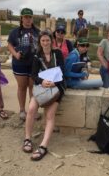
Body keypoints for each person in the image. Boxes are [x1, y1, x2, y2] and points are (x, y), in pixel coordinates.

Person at [22, 31, 66, 161]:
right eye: (43, 41)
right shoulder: (36, 55)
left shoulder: (57, 54)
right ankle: (27, 138)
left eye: (47, 40)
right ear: (40, 42)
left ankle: (43, 146)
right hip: (42, 87)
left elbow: (62, 71)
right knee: (30, 109)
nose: (45, 43)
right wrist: (42, 82)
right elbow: (33, 75)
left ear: (51, 41)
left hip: (56, 87)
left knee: (50, 115)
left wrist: (54, 82)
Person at [7, 8, 40, 120]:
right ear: (21, 18)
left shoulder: (37, 32)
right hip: (19, 63)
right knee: (22, 87)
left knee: (32, 87)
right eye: (25, 17)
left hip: (33, 63)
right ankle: (22, 110)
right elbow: (10, 44)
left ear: (32, 18)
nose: (28, 19)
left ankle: (32, 110)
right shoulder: (14, 32)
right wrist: (15, 54)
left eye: (30, 17)